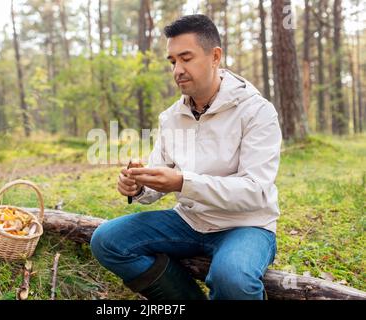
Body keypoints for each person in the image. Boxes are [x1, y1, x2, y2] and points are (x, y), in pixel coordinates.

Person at [90, 14, 282, 300]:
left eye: (186, 58)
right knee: (107, 241)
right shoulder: (172, 117)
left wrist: (182, 183)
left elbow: (255, 192)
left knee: (232, 278)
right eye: (172, 61)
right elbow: (160, 173)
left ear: (215, 56)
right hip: (189, 221)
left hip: (246, 226)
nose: (177, 69)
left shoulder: (257, 112)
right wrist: (139, 185)